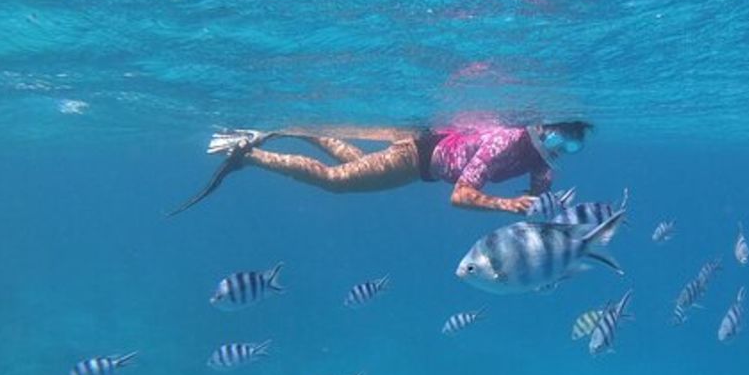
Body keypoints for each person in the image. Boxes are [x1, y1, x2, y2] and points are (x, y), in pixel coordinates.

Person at [169, 115, 592, 215]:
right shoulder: (504, 141)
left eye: (571, 150)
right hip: (415, 156)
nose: (559, 152)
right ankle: (249, 153)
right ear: (540, 127)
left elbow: (538, 203)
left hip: (419, 164)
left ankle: (297, 126)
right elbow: (460, 196)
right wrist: (506, 205)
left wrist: (537, 202)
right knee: (337, 181)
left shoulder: (543, 165)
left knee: (356, 164)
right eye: (558, 141)